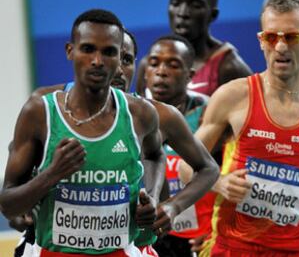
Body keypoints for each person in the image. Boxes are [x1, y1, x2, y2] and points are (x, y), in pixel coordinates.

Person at [11, 29, 220, 257]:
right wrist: (21, 210)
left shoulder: (155, 115)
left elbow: (167, 161)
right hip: (50, 247)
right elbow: (14, 183)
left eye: (127, 60)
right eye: (112, 56)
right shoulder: (47, 106)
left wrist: (168, 206)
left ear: (136, 67)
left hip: (132, 247)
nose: (118, 69)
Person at [180, 0, 299, 256]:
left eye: (291, 37)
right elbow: (186, 167)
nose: (281, 47)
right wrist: (221, 184)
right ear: (261, 41)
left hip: (295, 250)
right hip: (233, 247)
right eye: (271, 37)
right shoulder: (233, 97)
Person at [0, 9, 167, 256]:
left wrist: (153, 197)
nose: (97, 60)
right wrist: (52, 174)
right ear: (70, 51)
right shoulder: (39, 112)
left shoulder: (140, 114)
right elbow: (8, 204)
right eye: (88, 49)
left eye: (109, 52)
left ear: (120, 57)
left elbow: (155, 154)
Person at [141, 34, 216, 257]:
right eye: (154, 63)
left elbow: (227, 169)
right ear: (145, 70)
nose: (161, 71)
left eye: (173, 65)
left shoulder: (208, 113)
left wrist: (216, 231)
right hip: (151, 235)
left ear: (190, 75)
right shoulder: (131, 114)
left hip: (201, 239)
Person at [136, 0, 252, 98]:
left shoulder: (229, 67)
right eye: (175, 3)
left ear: (213, 15)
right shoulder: (148, 64)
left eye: (195, 5)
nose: (182, 13)